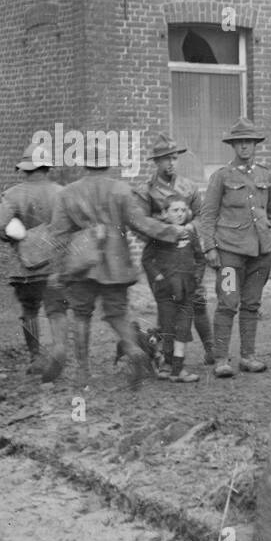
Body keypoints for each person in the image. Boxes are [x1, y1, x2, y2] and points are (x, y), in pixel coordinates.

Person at [47, 139, 187, 387]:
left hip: (81, 266)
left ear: (84, 165)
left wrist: (58, 269)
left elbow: (58, 234)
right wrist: (172, 232)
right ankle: (134, 351)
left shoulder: (68, 193)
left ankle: (82, 372)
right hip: (116, 265)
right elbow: (141, 224)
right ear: (108, 165)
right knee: (118, 316)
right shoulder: (121, 190)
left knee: (81, 316)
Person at [198, 117, 271, 378]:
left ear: (255, 145)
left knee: (252, 304)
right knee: (228, 302)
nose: (244, 147)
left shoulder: (265, 175)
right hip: (231, 253)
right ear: (233, 146)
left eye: (248, 142)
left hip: (261, 253)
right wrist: (210, 247)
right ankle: (222, 359)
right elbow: (208, 214)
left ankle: (248, 356)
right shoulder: (221, 176)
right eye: (239, 143)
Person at [132, 133, 213, 366]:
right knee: (166, 305)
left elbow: (202, 216)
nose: (171, 163)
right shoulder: (145, 191)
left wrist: (188, 228)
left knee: (196, 299)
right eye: (165, 158)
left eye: (174, 158)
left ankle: (211, 348)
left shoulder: (188, 187)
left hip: (186, 253)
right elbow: (139, 224)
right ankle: (165, 356)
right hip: (161, 258)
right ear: (156, 162)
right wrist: (165, 232)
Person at [0, 144, 68, 373]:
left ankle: (36, 358)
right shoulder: (62, 192)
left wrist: (15, 236)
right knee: (58, 309)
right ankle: (59, 349)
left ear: (25, 169)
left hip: (26, 267)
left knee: (29, 309)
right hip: (57, 264)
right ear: (47, 168)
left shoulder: (13, 194)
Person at [144, 198, 206, 382]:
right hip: (166, 290)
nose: (179, 214)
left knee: (184, 328)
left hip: (187, 289)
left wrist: (196, 278)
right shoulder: (159, 236)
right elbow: (146, 260)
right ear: (165, 213)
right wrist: (158, 277)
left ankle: (178, 370)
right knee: (168, 327)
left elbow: (200, 259)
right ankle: (167, 365)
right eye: (175, 210)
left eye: (182, 210)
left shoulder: (190, 234)